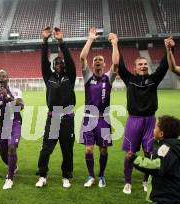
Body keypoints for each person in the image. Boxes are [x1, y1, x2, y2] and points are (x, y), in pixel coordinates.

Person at [112, 35, 170, 194]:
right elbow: (120, 65)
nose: (144, 66)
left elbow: (164, 66)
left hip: (150, 121)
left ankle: (146, 181)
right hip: (134, 121)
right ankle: (128, 182)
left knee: (149, 153)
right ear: (135, 67)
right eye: (140, 64)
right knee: (130, 153)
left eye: (145, 64)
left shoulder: (153, 79)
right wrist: (115, 44)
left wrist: (168, 48)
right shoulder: (129, 79)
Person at [35, 27, 77, 188]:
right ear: (53, 66)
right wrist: (45, 40)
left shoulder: (70, 77)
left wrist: (61, 41)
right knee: (46, 149)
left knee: (67, 150)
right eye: (56, 62)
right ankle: (42, 175)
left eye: (61, 62)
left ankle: (66, 176)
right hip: (53, 118)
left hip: (67, 118)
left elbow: (69, 59)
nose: (58, 63)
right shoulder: (49, 77)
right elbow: (43, 62)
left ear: (64, 65)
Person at [78, 28, 118, 188]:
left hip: (103, 120)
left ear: (104, 63)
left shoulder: (109, 77)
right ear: (93, 64)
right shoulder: (88, 75)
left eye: (100, 60)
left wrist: (114, 44)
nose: (98, 62)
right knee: (88, 150)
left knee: (103, 150)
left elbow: (116, 63)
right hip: (89, 119)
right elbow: (82, 57)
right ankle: (90, 176)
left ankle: (101, 176)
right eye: (95, 60)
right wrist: (90, 39)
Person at [131, 115, 180, 204]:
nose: (153, 129)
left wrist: (135, 159)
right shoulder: (175, 146)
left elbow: (155, 166)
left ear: (162, 134)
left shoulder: (165, 149)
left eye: (156, 127)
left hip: (169, 194)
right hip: (174, 191)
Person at [0, 70, 24, 190]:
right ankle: (13, 167)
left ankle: (9, 178)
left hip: (15, 122)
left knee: (12, 147)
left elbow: (21, 106)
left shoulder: (16, 91)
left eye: (4, 76)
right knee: (2, 151)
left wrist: (8, 96)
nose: (2, 78)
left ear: (8, 78)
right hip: (3, 125)